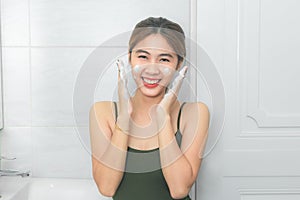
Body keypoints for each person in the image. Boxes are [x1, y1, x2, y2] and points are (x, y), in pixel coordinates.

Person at [89, 17, 210, 200]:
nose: (152, 70)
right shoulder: (103, 113)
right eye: (143, 57)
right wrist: (123, 118)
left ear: (179, 64)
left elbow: (179, 190)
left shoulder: (195, 114)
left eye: (164, 59)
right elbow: (107, 188)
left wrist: (163, 118)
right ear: (130, 58)